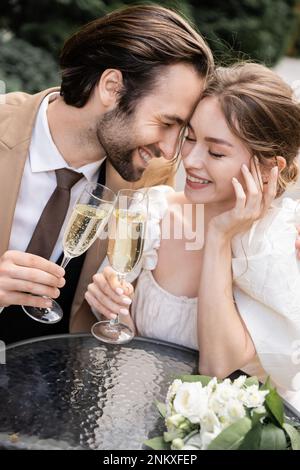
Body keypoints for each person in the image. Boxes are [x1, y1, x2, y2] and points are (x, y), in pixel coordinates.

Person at [87, 63, 300, 410]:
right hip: (126, 408)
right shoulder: (151, 211)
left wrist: (218, 237)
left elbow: (216, 368)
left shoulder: (276, 244)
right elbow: (123, 335)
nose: (191, 160)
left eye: (216, 152)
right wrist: (110, 308)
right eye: (190, 137)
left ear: (266, 168)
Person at [0, 5, 214, 343]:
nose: (171, 151)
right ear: (112, 87)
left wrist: (270, 226)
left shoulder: (148, 176)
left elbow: (194, 223)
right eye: (166, 123)